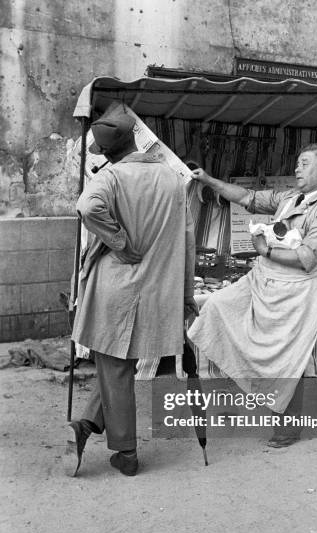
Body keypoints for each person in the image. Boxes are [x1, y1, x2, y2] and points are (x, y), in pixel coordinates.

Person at [65, 103, 197, 476]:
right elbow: (186, 243)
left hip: (116, 288)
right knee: (119, 364)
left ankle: (126, 453)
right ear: (134, 141)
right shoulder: (172, 179)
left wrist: (119, 242)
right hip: (156, 289)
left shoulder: (110, 178)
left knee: (115, 366)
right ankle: (87, 424)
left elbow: (87, 209)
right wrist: (186, 294)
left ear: (106, 152)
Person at [188, 143, 317, 447]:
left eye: (304, 163)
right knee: (218, 305)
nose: (297, 168)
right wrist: (207, 179)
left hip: (297, 290)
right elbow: (246, 197)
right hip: (264, 278)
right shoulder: (288, 197)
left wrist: (266, 249)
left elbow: (307, 256)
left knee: (288, 359)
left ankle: (286, 430)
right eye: (297, 163)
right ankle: (247, 388)